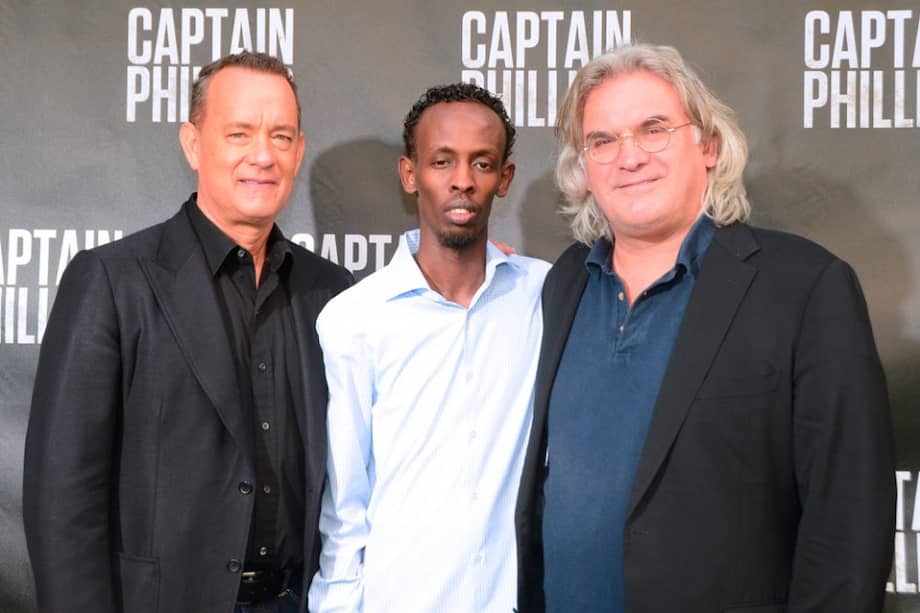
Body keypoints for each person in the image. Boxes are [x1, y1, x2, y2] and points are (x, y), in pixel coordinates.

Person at [515, 43, 896, 612]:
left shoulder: (806, 286)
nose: (630, 156)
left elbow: (849, 522)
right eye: (603, 140)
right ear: (584, 170)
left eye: (653, 129)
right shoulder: (565, 283)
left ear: (710, 146)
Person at [22, 51, 353, 613]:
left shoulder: (333, 292)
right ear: (193, 143)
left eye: (280, 136)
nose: (262, 156)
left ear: (299, 150)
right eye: (239, 133)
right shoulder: (111, 281)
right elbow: (62, 504)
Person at [308, 83, 549, 612]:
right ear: (410, 174)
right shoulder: (353, 321)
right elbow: (345, 507)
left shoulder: (545, 298)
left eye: (482, 163)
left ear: (504, 179)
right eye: (442, 161)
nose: (462, 181)